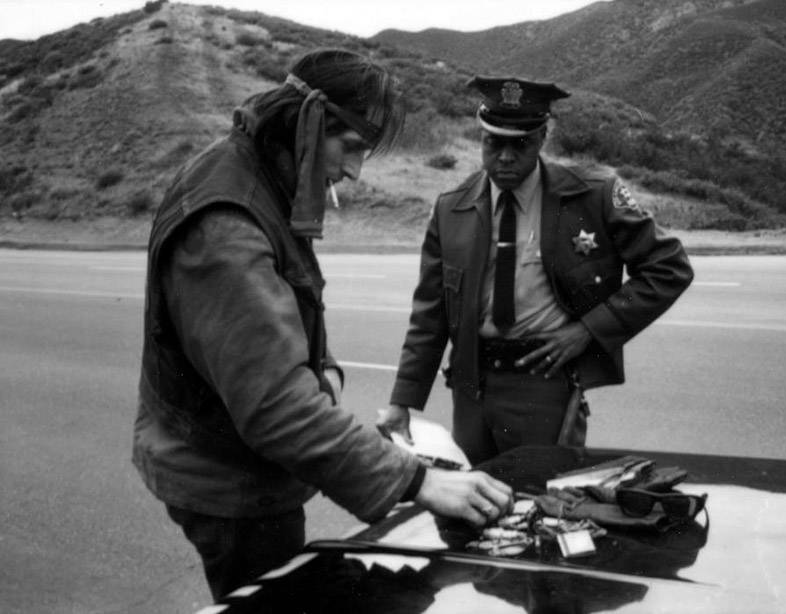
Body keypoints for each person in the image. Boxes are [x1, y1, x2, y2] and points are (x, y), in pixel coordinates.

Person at [131, 49, 512, 601]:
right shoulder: (227, 227)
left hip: (243, 462)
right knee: (281, 602)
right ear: (307, 124)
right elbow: (276, 408)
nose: (354, 170)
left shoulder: (259, 172)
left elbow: (285, 331)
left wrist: (325, 381)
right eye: (351, 147)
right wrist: (420, 482)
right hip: (229, 483)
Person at [378, 76, 694, 466]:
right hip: (471, 389)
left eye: (521, 144)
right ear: (480, 139)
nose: (506, 157)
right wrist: (402, 401)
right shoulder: (451, 209)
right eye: (494, 142)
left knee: (543, 502)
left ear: (542, 138)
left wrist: (589, 330)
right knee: (476, 501)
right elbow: (430, 313)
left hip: (544, 384)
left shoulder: (591, 195)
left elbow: (669, 268)